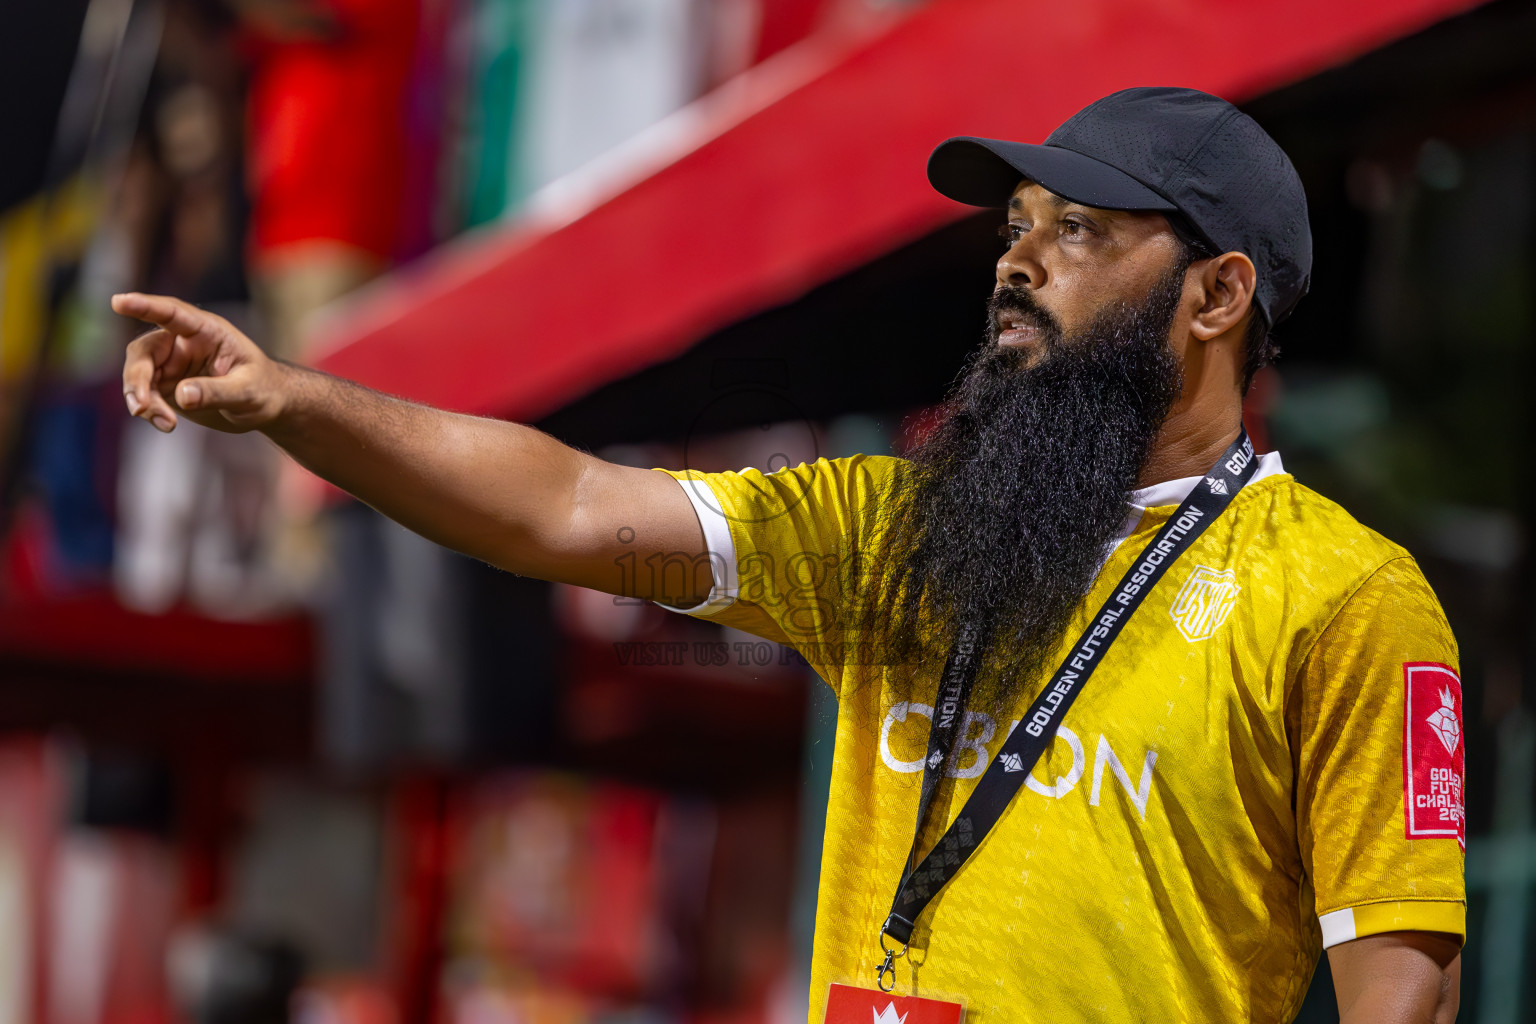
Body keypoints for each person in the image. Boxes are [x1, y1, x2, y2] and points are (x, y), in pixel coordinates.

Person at [116, 87, 1464, 1022]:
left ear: (1219, 294)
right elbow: (564, 509)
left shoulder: (1343, 600)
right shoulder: (895, 532)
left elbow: (1402, 985)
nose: (1019, 263)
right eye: (1018, 226)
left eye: (1081, 233)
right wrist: (297, 400)